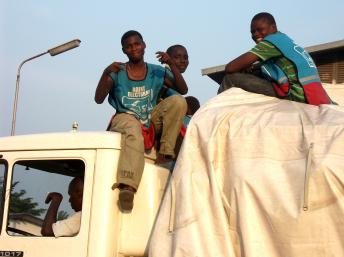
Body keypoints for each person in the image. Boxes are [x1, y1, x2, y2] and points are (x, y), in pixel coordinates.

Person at [95, 30, 188, 211]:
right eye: (129, 46)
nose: (134, 48)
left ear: (144, 45)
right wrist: (105, 72)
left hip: (149, 116)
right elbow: (98, 98)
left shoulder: (156, 71)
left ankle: (165, 152)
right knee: (132, 131)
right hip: (125, 116)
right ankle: (128, 185)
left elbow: (182, 90)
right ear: (124, 50)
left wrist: (171, 64)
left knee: (178, 101)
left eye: (137, 44)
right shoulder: (117, 72)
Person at [218, 12, 332, 106]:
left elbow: (230, 67)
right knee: (254, 72)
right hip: (313, 94)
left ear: (273, 27)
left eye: (260, 29)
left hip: (296, 95)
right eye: (253, 32)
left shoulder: (271, 42)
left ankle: (214, 113)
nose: (256, 34)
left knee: (231, 79)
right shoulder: (284, 40)